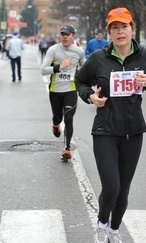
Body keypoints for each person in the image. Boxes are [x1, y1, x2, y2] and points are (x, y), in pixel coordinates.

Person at [75, 7, 146, 243]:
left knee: (124, 190)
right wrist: (90, 96)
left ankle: (115, 231)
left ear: (132, 29)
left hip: (133, 132)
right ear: (109, 32)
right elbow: (80, 81)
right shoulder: (98, 58)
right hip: (105, 130)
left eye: (124, 26)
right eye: (114, 27)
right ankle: (102, 224)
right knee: (112, 186)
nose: (120, 31)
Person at [40, 25, 85, 161]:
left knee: (69, 118)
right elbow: (43, 70)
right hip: (55, 90)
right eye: (62, 34)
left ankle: (66, 148)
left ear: (73, 36)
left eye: (68, 34)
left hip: (70, 90)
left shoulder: (79, 52)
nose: (65, 37)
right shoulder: (53, 50)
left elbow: (84, 68)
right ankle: (55, 124)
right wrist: (60, 67)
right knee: (58, 117)